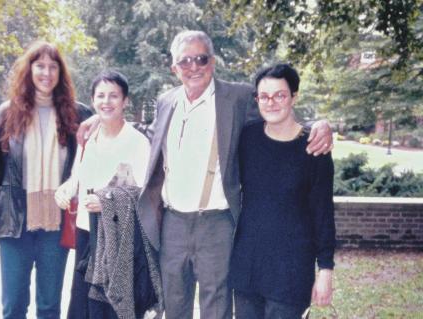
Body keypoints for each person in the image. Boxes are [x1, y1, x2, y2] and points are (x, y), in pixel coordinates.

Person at [79, 30, 333, 319]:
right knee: (174, 304)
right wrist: (98, 117)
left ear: (212, 61)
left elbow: (276, 110)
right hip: (172, 222)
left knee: (216, 305)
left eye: (200, 59)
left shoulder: (235, 97)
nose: (193, 67)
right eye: (184, 62)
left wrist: (319, 125)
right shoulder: (166, 101)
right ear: (174, 68)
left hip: (216, 223)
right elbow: (149, 137)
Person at [0, 40, 92, 319]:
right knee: (14, 305)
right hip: (14, 223)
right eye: (40, 65)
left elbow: (92, 161)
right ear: (29, 70)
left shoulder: (79, 115)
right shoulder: (8, 113)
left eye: (53, 67)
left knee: (49, 305)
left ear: (60, 73)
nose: (46, 73)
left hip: (58, 224)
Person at [229, 64, 336, 318]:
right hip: (248, 267)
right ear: (257, 100)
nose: (272, 102)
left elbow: (323, 213)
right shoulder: (247, 138)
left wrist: (326, 270)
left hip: (291, 271)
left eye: (280, 95)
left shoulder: (314, 148)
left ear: (294, 97)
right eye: (264, 96)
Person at [55, 70, 161, 319]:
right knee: (81, 308)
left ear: (125, 101)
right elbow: (77, 176)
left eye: (114, 96)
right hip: (86, 233)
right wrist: (66, 189)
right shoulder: (88, 139)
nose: (106, 101)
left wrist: (107, 201)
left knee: (112, 308)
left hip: (119, 239)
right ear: (92, 100)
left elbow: (146, 194)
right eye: (100, 96)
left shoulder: (137, 142)